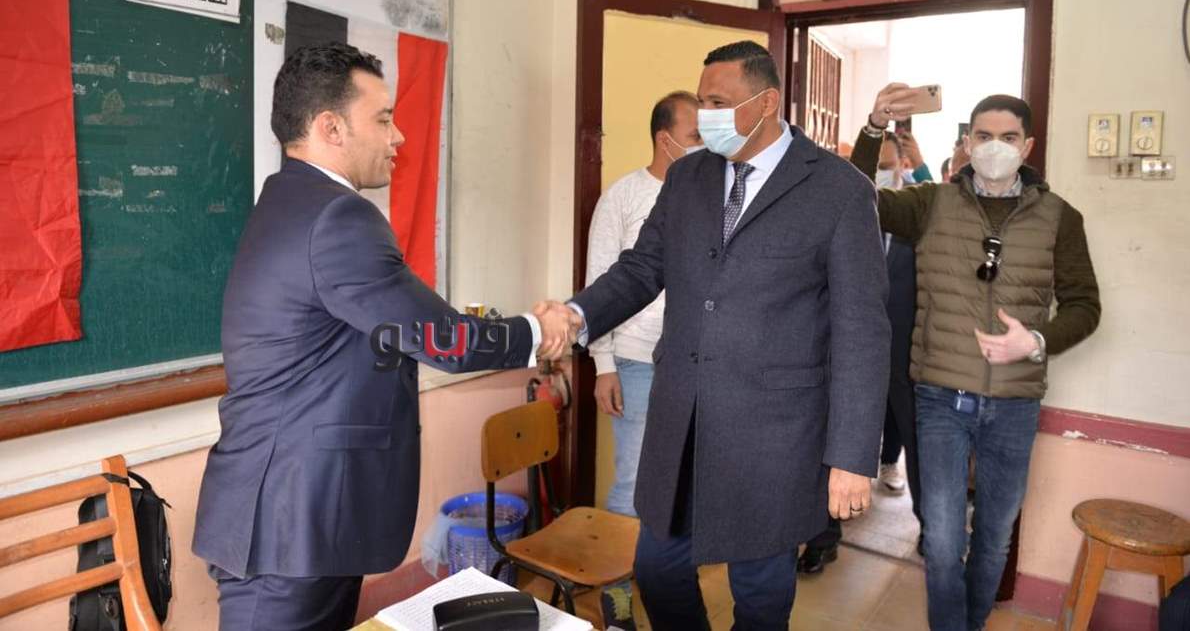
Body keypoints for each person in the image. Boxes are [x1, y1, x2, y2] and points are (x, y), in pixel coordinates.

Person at [193, 43, 574, 631]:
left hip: (298, 513)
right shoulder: (336, 217)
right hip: (290, 522)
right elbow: (443, 339)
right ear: (330, 127)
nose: (398, 137)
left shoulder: (289, 200)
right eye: (383, 119)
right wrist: (537, 330)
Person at [539, 41, 891, 631]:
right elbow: (640, 269)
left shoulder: (838, 190)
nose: (706, 115)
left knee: (760, 595)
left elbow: (862, 332)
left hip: (774, 435)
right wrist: (577, 313)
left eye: (718, 102)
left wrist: (852, 457)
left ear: (767, 102)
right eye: (702, 102)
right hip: (682, 420)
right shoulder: (688, 177)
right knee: (658, 571)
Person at [852, 85, 1101, 631]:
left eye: (1008, 137)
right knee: (943, 542)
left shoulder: (1060, 217)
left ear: (1027, 146)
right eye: (983, 136)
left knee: (993, 539)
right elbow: (855, 198)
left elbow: (1085, 306)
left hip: (1014, 402)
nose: (994, 147)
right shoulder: (931, 204)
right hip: (940, 397)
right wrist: (874, 127)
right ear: (967, 143)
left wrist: (1035, 342)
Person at [586, 91, 702, 630]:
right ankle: (617, 602)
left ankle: (670, 584)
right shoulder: (624, 198)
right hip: (635, 362)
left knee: (686, 484)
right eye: (696, 135)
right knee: (633, 485)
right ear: (665, 138)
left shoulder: (708, 195)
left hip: (693, 364)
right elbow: (601, 283)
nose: (704, 145)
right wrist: (603, 364)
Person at [797, 132, 924, 575]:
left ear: (903, 167)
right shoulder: (836, 208)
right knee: (830, 438)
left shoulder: (916, 214)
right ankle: (822, 537)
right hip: (843, 350)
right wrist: (873, 128)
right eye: (877, 165)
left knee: (911, 436)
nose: (881, 173)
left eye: (890, 165)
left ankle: (928, 525)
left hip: (905, 350)